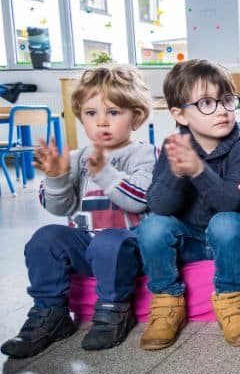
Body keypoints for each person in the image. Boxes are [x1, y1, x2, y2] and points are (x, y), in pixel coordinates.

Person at [1, 65, 155, 358]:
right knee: (45, 238)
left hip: (128, 249)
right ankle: (51, 313)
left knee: (110, 240)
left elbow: (139, 201)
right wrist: (57, 177)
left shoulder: (144, 154)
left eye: (113, 112)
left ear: (135, 116)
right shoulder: (76, 158)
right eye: (91, 113)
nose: (101, 123)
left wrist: (105, 173)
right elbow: (60, 208)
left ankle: (114, 310)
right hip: (87, 246)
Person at [136, 59, 240, 350]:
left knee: (227, 221)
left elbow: (230, 202)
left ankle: (230, 299)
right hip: (188, 239)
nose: (221, 110)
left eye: (227, 100)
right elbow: (159, 206)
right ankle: (168, 300)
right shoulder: (174, 147)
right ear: (179, 115)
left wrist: (197, 171)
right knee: (152, 226)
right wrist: (177, 173)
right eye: (206, 103)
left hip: (228, 240)